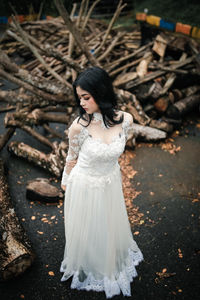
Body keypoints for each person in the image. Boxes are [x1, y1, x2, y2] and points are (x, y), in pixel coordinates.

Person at [60, 66, 143, 298]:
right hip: (85, 184)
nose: (83, 103)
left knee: (107, 224)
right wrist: (66, 184)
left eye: (87, 97)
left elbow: (116, 151)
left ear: (102, 92)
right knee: (89, 228)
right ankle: (89, 262)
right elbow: (71, 158)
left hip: (110, 181)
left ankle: (108, 258)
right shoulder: (79, 126)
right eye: (80, 98)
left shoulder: (125, 120)